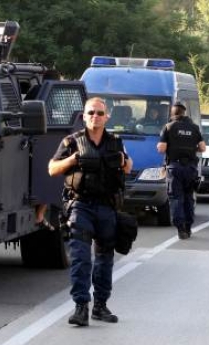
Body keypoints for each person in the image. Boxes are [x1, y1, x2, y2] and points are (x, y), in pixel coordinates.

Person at [48, 97, 133, 327]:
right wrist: (73, 159)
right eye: (91, 113)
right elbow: (52, 168)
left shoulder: (115, 141)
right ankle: (80, 307)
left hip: (107, 206)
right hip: (81, 205)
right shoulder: (71, 142)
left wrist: (124, 161)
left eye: (99, 113)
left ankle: (100, 306)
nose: (95, 116)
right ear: (84, 116)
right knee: (81, 258)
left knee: (105, 259)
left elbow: (128, 166)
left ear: (107, 117)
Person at [156, 102, 206, 240]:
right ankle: (189, 226)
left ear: (173, 113)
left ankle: (181, 228)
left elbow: (161, 149)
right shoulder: (194, 128)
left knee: (176, 198)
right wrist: (190, 149)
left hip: (175, 169)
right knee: (188, 198)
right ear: (184, 113)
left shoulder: (168, 127)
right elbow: (202, 148)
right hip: (190, 169)